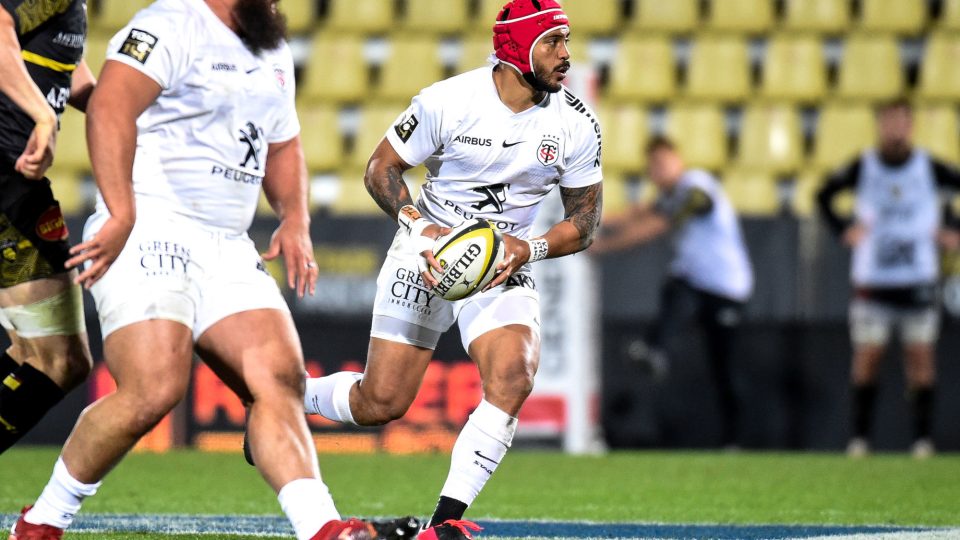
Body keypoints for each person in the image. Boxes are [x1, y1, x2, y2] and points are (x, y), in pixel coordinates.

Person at [8, 1, 418, 539]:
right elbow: (110, 107)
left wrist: (295, 219)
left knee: (278, 381)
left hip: (225, 241)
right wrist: (122, 209)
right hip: (151, 222)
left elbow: (284, 142)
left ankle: (322, 528)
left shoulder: (269, 46)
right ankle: (39, 525)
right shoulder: (168, 24)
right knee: (152, 388)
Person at [294, 1, 602, 537]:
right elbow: (380, 168)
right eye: (552, 42)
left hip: (504, 261)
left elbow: (585, 220)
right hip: (427, 251)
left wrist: (528, 250)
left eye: (566, 41)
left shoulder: (576, 124)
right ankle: (287, 402)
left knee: (513, 376)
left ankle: (443, 524)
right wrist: (419, 227)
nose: (566, 56)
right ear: (514, 48)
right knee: (380, 402)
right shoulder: (448, 101)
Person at [816, 98, 960, 459]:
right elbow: (822, 195)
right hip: (873, 282)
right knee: (867, 359)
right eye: (889, 122)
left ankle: (922, 441)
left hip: (918, 281)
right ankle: (860, 439)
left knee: (920, 360)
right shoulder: (863, 166)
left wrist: (953, 228)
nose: (895, 129)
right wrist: (843, 229)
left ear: (910, 126)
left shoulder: (929, 167)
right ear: (880, 125)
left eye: (901, 122)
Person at [590, 136, 753, 447]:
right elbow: (636, 214)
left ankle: (735, 438)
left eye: (663, 163)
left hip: (726, 286)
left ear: (679, 160)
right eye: (653, 166)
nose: (659, 171)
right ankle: (656, 348)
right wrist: (587, 222)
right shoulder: (672, 194)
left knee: (725, 367)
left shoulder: (697, 188)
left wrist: (604, 246)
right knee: (677, 285)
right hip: (696, 279)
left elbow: (655, 225)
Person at [0, 0, 96, 453]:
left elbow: (73, 79)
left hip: (15, 184)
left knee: (38, 356)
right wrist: (41, 116)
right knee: (57, 359)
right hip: (7, 179)